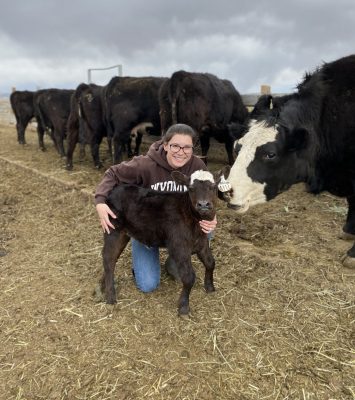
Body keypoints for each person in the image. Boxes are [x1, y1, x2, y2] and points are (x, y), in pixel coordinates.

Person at [95, 123, 217, 292]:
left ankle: (174, 261)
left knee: (207, 230)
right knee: (148, 285)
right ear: (165, 145)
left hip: (178, 230)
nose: (181, 152)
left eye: (187, 147)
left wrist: (212, 216)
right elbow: (113, 173)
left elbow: (208, 192)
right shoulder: (144, 164)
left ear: (192, 148)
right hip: (148, 228)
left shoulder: (197, 166)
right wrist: (100, 201)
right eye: (175, 146)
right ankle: (141, 265)